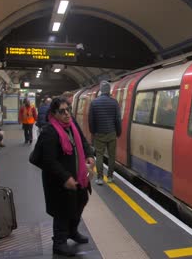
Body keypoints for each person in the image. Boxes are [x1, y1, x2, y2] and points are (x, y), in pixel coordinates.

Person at [39, 97, 95, 256]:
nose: (66, 114)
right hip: (59, 180)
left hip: (78, 176)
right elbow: (48, 160)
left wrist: (89, 155)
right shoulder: (49, 131)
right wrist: (65, 177)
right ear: (54, 113)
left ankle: (73, 231)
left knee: (80, 201)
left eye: (68, 109)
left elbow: (83, 142)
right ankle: (59, 242)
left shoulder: (72, 125)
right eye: (62, 111)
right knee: (62, 210)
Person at [88, 81, 121, 185]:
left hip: (99, 133)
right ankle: (110, 177)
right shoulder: (114, 102)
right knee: (112, 156)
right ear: (109, 90)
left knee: (99, 155)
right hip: (111, 133)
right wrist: (118, 132)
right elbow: (118, 119)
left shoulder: (94, 102)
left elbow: (91, 120)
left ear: (101, 90)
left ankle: (100, 178)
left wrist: (93, 131)